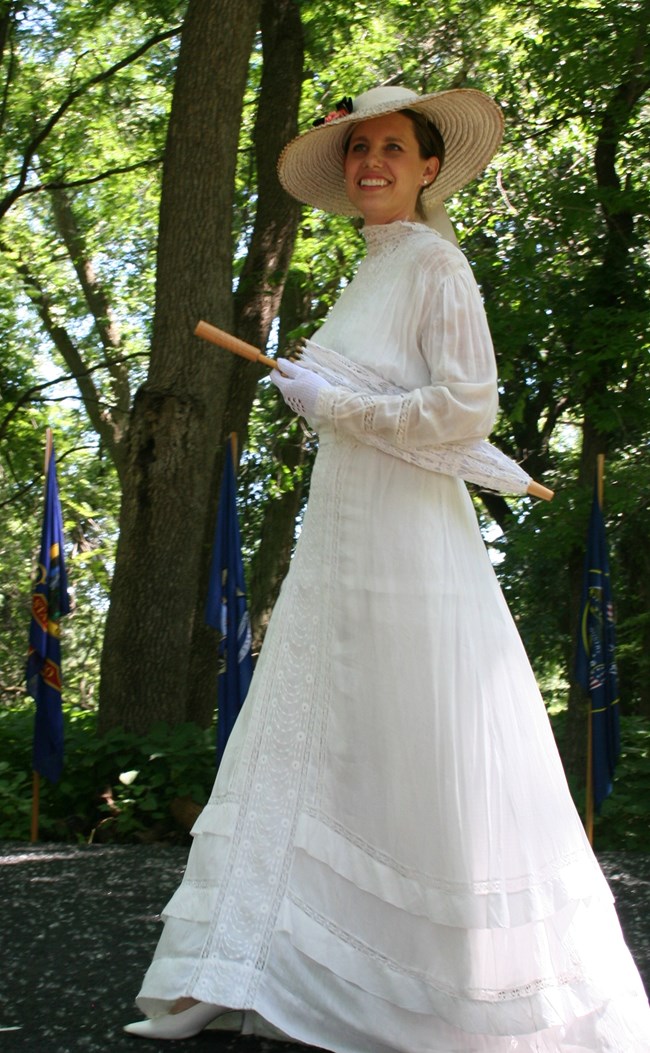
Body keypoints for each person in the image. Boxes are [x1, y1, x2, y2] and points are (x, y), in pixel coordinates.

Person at [124, 85, 650, 1050]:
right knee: (321, 720)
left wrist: (336, 407)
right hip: (344, 529)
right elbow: (369, 397)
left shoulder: (437, 265)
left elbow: (465, 413)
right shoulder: (372, 269)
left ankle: (440, 988)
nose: (372, 162)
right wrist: (315, 393)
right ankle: (248, 964)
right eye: (359, 148)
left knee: (411, 723)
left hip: (412, 534)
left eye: (392, 149)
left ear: (429, 167)